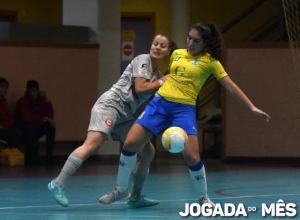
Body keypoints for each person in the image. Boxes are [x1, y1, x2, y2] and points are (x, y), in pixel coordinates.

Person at [100, 22, 271, 207]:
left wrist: (251, 107)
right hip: (160, 104)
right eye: (189, 38)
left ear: (205, 43)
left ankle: (204, 198)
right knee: (131, 142)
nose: (190, 43)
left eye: (196, 41)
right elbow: (157, 53)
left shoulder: (211, 62)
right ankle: (120, 188)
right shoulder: (176, 53)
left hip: (184, 109)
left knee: (192, 156)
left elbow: (230, 86)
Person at [47, 34, 177, 208]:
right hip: (110, 105)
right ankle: (58, 183)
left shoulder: (157, 75)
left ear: (168, 51)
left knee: (147, 151)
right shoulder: (143, 60)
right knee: (93, 143)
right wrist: (163, 80)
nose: (157, 47)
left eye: (162, 46)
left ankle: (135, 196)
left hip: (125, 115)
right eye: (155, 43)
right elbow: (140, 88)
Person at [15, 80, 56, 165]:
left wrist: (47, 101)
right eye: (30, 92)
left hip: (35, 127)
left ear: (38, 91)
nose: (32, 94)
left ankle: (49, 156)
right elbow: (27, 117)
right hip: (23, 129)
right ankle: (35, 158)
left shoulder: (41, 100)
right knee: (30, 128)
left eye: (34, 91)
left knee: (50, 126)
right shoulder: (22, 102)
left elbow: (50, 115)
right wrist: (43, 118)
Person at [0, 77, 23, 148]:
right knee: (14, 134)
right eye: (3, 87)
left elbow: (9, 118)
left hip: (5, 127)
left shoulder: (4, 102)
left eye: (6, 87)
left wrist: (5, 125)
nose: (5, 90)